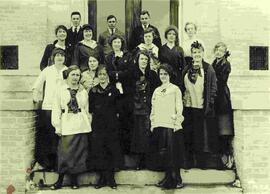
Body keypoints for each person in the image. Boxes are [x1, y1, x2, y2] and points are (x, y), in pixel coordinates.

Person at [50, 65, 91, 190]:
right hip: (67, 123)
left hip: (80, 124)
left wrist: (87, 121)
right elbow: (56, 108)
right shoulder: (60, 90)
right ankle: (60, 180)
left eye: (77, 75)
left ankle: (74, 180)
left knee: (78, 153)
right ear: (67, 76)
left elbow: (86, 108)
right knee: (65, 152)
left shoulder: (83, 91)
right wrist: (57, 126)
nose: (75, 77)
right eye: (73, 74)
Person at [181, 41, 218, 169]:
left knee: (201, 135)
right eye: (194, 52)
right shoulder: (187, 68)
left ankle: (202, 162)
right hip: (188, 107)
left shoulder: (208, 69)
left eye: (199, 52)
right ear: (191, 54)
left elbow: (213, 87)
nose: (197, 54)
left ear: (203, 53)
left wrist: (210, 102)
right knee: (188, 134)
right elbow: (182, 86)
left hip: (202, 107)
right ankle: (189, 161)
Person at [150, 64, 184, 189]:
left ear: (169, 75)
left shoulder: (175, 89)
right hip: (160, 124)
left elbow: (179, 107)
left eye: (165, 74)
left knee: (172, 154)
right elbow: (153, 108)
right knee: (163, 153)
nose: (163, 76)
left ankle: (175, 179)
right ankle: (167, 177)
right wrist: (153, 123)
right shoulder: (157, 90)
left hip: (171, 125)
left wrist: (177, 122)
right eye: (161, 74)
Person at [88, 65, 123, 189]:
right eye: (100, 74)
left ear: (108, 75)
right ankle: (102, 178)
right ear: (97, 76)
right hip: (98, 125)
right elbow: (91, 109)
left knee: (111, 149)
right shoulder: (93, 91)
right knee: (99, 150)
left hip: (111, 125)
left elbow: (119, 109)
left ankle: (111, 178)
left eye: (104, 74)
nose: (102, 77)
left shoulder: (114, 90)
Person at [33, 48, 68, 171]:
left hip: (61, 109)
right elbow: (36, 85)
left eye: (62, 56)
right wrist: (36, 98)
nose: (60, 58)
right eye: (57, 55)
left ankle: (58, 165)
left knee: (59, 137)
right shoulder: (48, 70)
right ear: (53, 57)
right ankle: (47, 164)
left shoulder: (67, 70)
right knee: (48, 137)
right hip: (48, 107)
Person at [130, 50, 160, 169]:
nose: (144, 62)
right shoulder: (132, 73)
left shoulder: (152, 74)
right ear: (137, 60)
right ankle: (139, 160)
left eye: (146, 60)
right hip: (136, 108)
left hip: (149, 107)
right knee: (138, 134)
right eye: (141, 59)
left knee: (149, 133)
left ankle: (150, 160)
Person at [105, 34, 134, 154]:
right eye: (114, 42)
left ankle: (127, 149)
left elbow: (130, 71)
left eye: (119, 42)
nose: (117, 44)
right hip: (113, 90)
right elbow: (107, 71)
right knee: (114, 119)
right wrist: (117, 74)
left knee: (126, 119)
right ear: (111, 45)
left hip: (126, 91)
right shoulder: (109, 57)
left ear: (122, 44)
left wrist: (117, 75)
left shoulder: (128, 56)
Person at [212, 42, 234, 169]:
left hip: (222, 97)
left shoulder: (226, 64)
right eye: (217, 49)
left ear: (225, 52)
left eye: (221, 50)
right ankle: (220, 159)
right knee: (217, 128)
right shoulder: (214, 62)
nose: (218, 52)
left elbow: (221, 80)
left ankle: (227, 158)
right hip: (215, 95)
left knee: (224, 129)